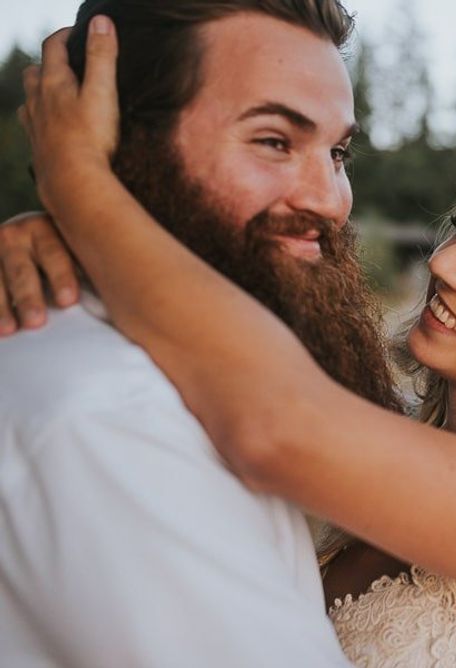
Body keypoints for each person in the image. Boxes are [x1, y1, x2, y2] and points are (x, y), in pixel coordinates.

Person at [8, 17, 456, 668]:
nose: (443, 263)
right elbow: (229, 355)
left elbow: (273, 419)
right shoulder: (381, 427)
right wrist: (76, 252)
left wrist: (85, 190)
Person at [0, 1, 396, 666]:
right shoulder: (115, 421)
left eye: (338, 151)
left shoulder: (209, 373)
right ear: (120, 145)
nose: (329, 199)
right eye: (274, 141)